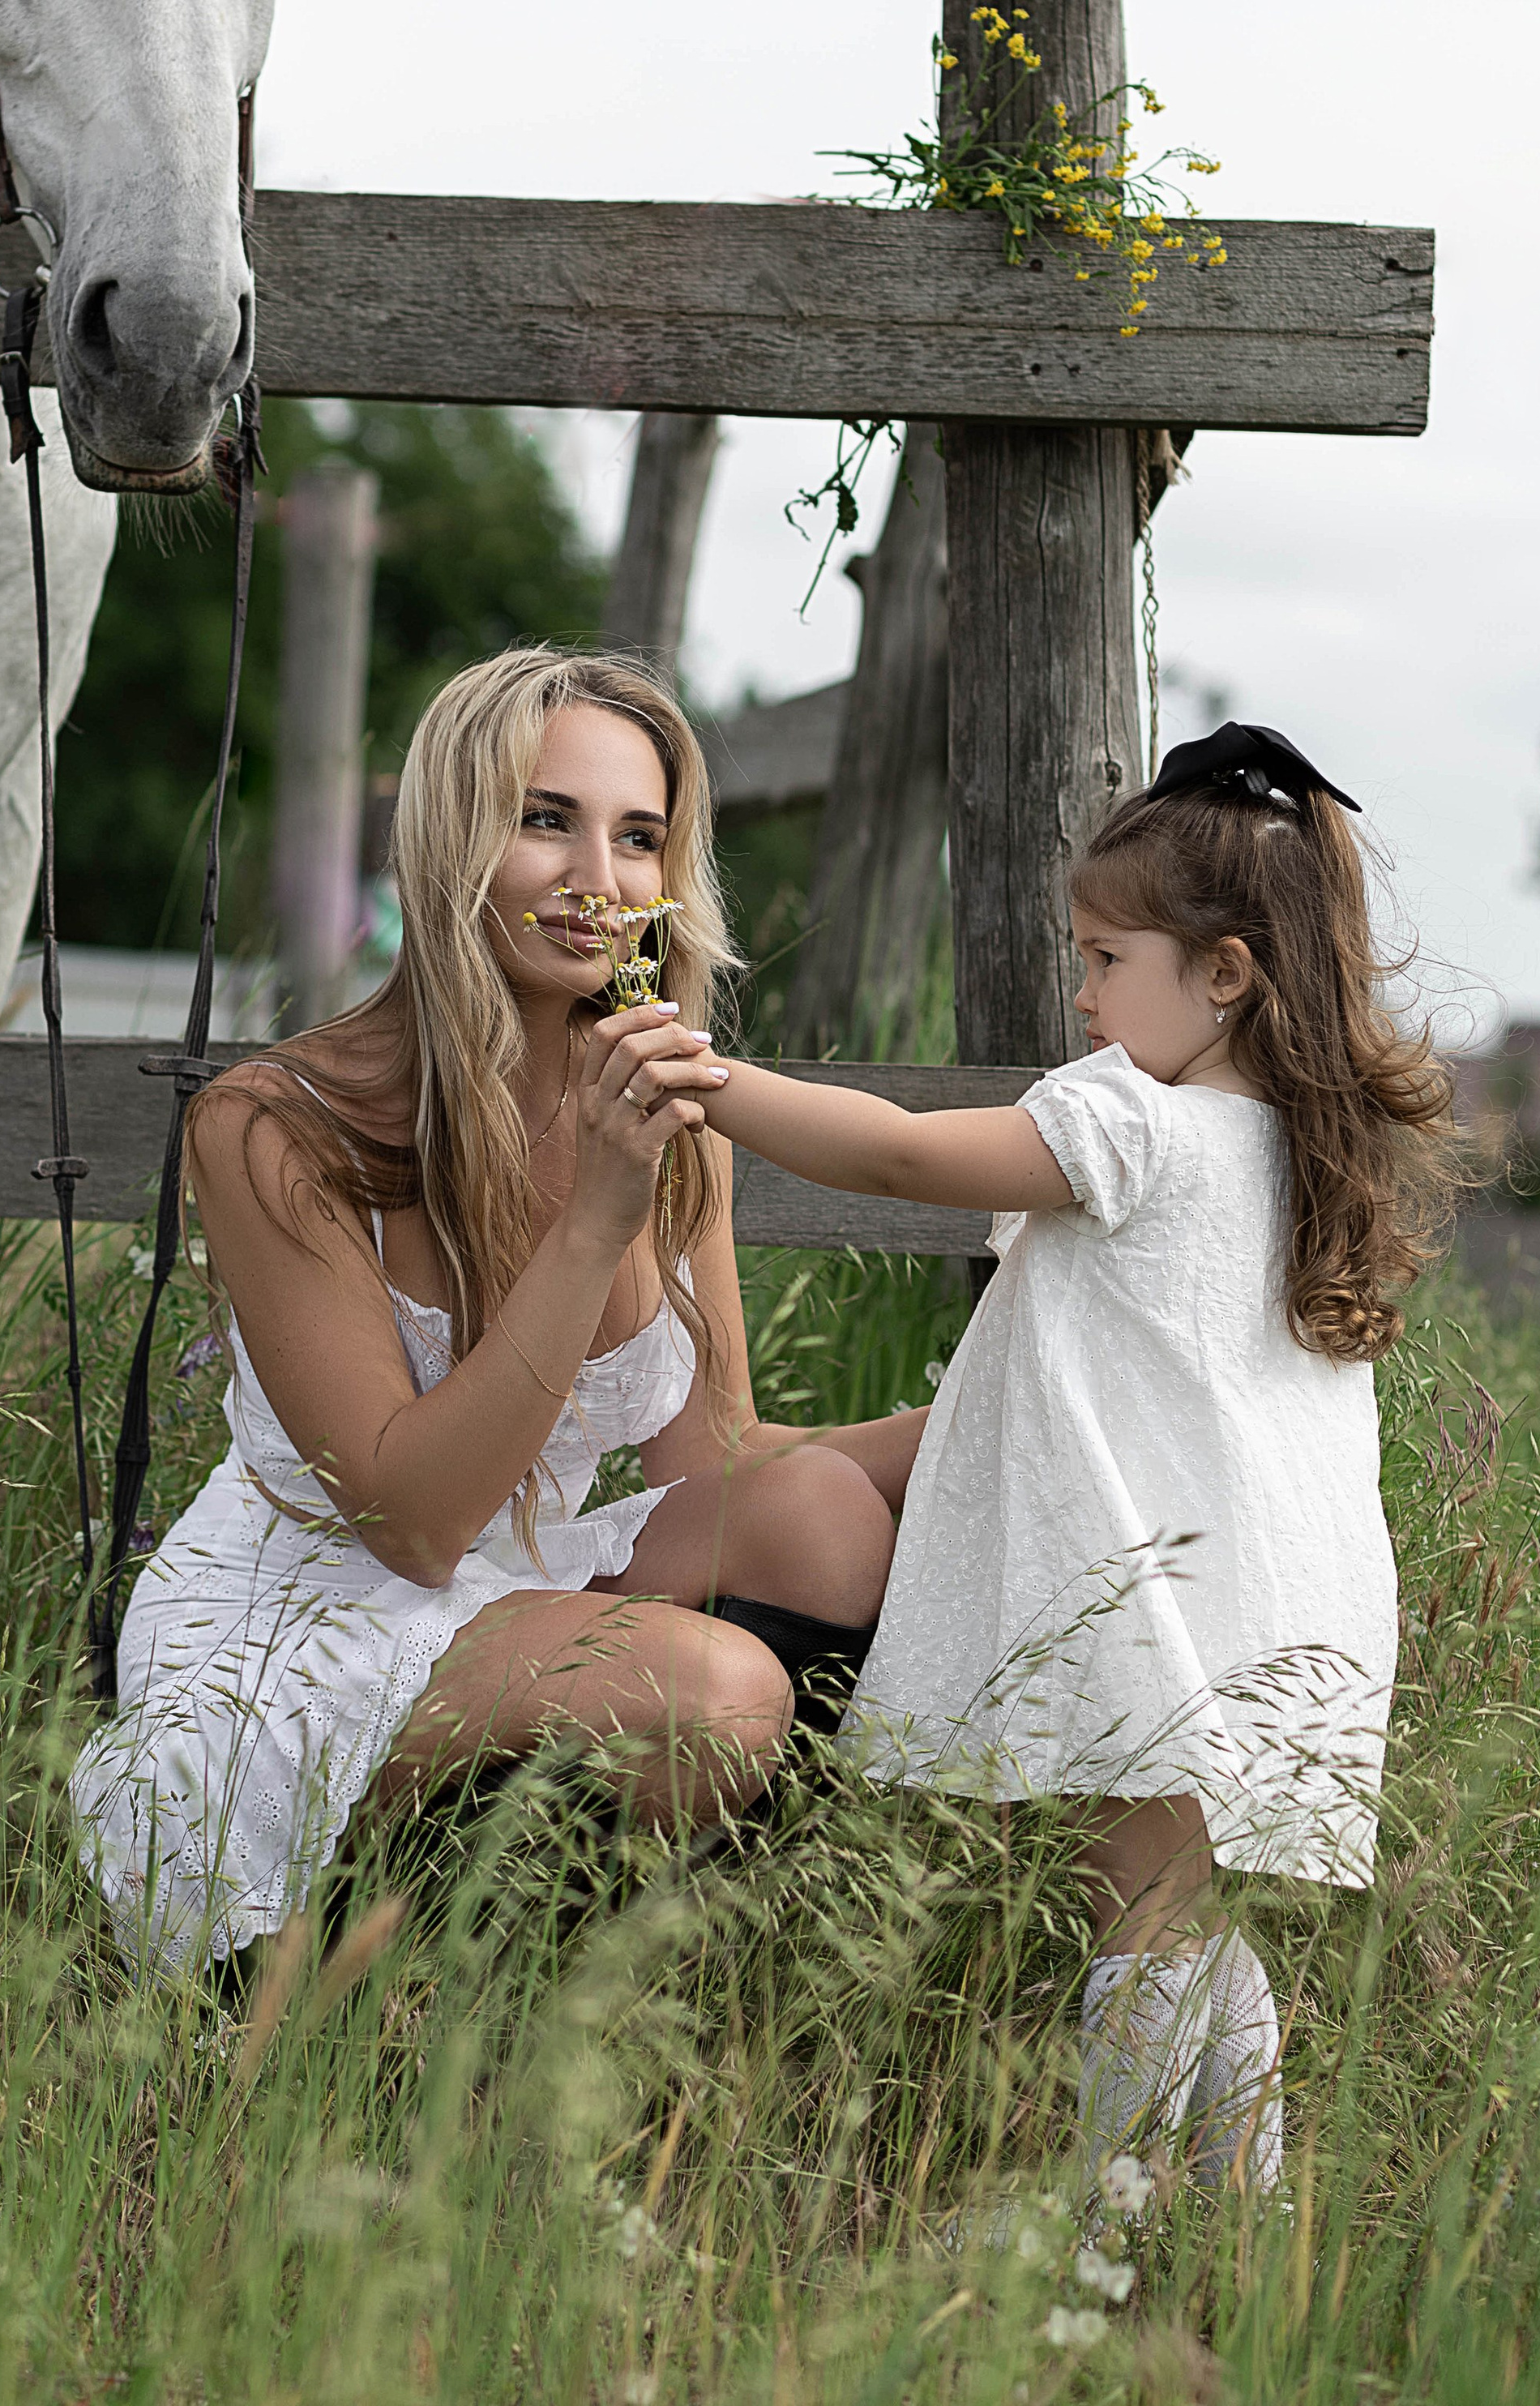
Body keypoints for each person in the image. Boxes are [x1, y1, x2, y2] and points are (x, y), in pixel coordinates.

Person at [644, 723, 1457, 2193]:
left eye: (1105, 959)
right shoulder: (1294, 1153)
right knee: (1188, 1914)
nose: (1080, 995)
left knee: (1137, 1914)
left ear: (1225, 974)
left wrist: (710, 1081)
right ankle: (1233, 2202)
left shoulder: (1133, 1122)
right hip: (1262, 1617)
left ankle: (1110, 2212)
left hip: (1143, 1610)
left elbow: (899, 1155)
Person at [71, 647, 927, 1976]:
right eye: (545, 820)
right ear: (452, 834)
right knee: (716, 1695)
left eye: (637, 838)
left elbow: (716, 1458)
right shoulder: (274, 1124)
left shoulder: (670, 1108)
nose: (600, 880)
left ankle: (595, 1971)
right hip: (312, 1619)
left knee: (821, 1517)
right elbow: (414, 1526)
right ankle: (367, 1974)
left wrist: (1003, 1414)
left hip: (520, 1586)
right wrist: (595, 1220)